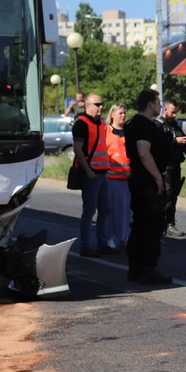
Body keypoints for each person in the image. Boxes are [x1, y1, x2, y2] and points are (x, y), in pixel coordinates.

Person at [124, 89, 172, 285]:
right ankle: (147, 268)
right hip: (147, 181)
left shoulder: (133, 123)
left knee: (140, 224)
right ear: (150, 104)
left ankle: (135, 268)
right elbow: (144, 153)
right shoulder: (143, 125)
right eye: (158, 102)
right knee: (151, 226)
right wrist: (158, 178)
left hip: (138, 178)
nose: (160, 106)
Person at [71, 93, 112, 257]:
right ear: (88, 105)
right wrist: (88, 171)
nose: (101, 107)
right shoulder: (81, 123)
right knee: (89, 212)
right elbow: (77, 149)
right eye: (97, 104)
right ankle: (85, 246)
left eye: (102, 104)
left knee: (105, 210)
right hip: (91, 174)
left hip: (103, 172)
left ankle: (102, 244)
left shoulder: (101, 123)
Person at [157, 98, 186, 237]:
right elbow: (157, 144)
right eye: (173, 112)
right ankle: (163, 223)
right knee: (167, 194)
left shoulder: (175, 125)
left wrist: (185, 141)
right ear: (165, 110)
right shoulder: (158, 125)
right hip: (164, 166)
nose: (175, 115)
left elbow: (183, 142)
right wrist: (174, 140)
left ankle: (169, 223)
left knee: (173, 195)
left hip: (175, 164)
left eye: (176, 112)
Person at [104, 103, 131, 251]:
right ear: (112, 114)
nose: (123, 115)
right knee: (112, 210)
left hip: (128, 178)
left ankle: (124, 237)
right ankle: (110, 238)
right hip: (111, 178)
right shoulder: (106, 131)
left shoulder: (129, 131)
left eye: (124, 113)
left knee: (127, 210)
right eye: (120, 113)